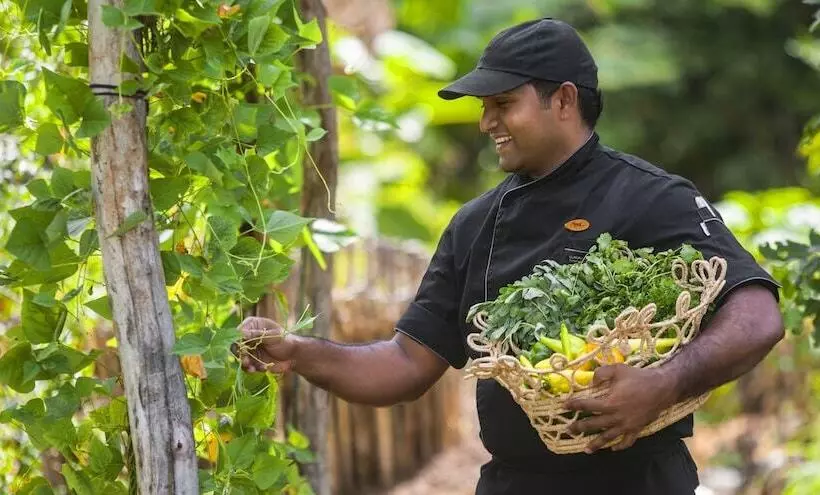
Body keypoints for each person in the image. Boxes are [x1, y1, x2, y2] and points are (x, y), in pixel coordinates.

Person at [238, 18, 784, 494]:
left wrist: (664, 382)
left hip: (641, 483)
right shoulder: (474, 224)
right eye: (484, 108)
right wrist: (299, 353)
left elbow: (758, 317)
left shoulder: (651, 197)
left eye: (503, 104)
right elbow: (404, 365)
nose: (485, 123)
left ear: (565, 100)